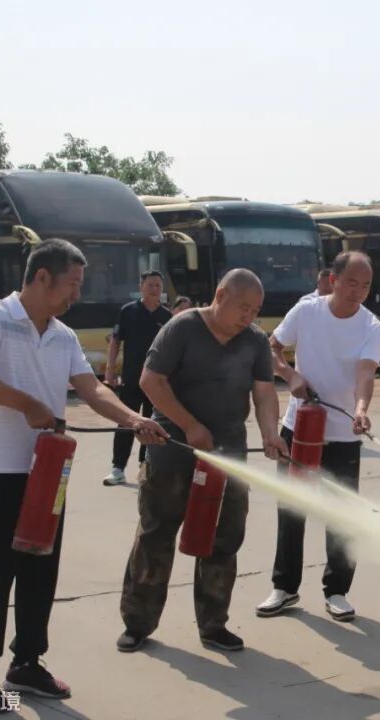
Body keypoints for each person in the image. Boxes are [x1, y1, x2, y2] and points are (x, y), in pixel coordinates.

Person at [0, 239, 167, 709]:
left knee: (40, 571)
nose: (77, 294)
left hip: (48, 472)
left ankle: (27, 662)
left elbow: (92, 389)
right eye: (73, 284)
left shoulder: (63, 335)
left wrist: (133, 419)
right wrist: (27, 404)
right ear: (42, 276)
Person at [117, 269, 288, 653]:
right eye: (243, 307)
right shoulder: (182, 328)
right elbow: (150, 381)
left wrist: (270, 433)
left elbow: (264, 393)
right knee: (156, 536)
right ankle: (138, 623)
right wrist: (189, 425)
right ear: (220, 295)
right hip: (173, 452)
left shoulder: (255, 341)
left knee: (224, 541)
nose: (249, 316)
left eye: (255, 310)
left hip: (228, 458)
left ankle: (214, 624)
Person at [256, 251, 380, 622]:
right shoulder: (307, 311)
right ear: (333, 280)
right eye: (351, 283)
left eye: (365, 286)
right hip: (299, 429)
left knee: (341, 514)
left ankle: (337, 591)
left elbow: (366, 374)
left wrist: (361, 409)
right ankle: (284, 587)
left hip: (343, 435)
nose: (358, 292)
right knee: (291, 507)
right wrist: (290, 375)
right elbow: (271, 347)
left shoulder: (371, 326)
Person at [103, 271, 172, 486]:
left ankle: (145, 466)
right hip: (131, 379)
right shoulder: (128, 311)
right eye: (150, 285)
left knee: (151, 424)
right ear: (141, 286)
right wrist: (110, 369)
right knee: (126, 422)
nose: (155, 289)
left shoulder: (167, 317)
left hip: (155, 382)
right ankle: (118, 468)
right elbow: (115, 342)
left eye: (158, 285)